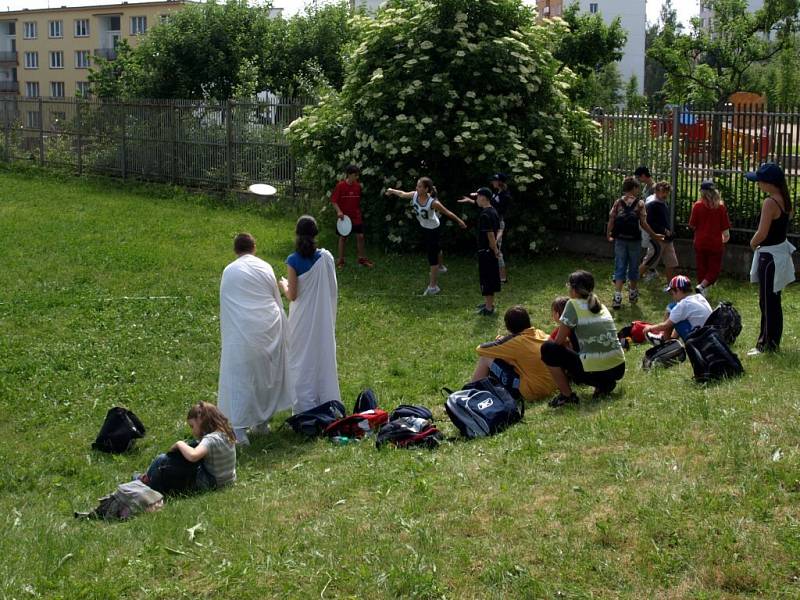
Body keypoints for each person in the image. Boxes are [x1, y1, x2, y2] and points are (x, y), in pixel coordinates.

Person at [218, 233, 292, 446]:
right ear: (254, 247)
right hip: (266, 330)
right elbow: (275, 301)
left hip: (241, 333)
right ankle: (259, 423)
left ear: (235, 250)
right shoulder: (265, 267)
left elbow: (228, 305)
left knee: (240, 378)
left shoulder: (229, 271)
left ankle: (242, 429)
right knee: (264, 376)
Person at [279, 216, 341, 413]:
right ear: (316, 234)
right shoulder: (326, 258)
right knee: (319, 354)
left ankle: (304, 404)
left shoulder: (293, 260)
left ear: (297, 233)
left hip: (301, 318)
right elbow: (331, 289)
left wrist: (283, 285)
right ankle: (323, 398)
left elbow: (293, 295)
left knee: (300, 358)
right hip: (321, 318)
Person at [540, 270, 626, 407]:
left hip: (597, 369)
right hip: (618, 367)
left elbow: (558, 342)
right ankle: (603, 384)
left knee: (548, 349)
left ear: (573, 289)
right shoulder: (600, 305)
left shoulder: (572, 304)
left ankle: (567, 396)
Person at [385, 177, 467, 296]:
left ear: (426, 189)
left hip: (433, 230)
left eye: (419, 186)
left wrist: (460, 221)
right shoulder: (414, 195)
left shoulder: (433, 202)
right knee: (437, 248)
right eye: (417, 186)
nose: (416, 188)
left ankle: (433, 287)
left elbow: (447, 212)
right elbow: (402, 194)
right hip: (425, 227)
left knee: (432, 257)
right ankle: (441, 267)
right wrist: (392, 190)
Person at [746, 162, 796, 355]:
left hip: (769, 257)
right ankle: (773, 342)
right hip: (780, 254)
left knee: (766, 302)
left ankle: (765, 344)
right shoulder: (785, 199)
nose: (758, 184)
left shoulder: (770, 202)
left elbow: (762, 232)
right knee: (774, 300)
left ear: (769, 183)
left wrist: (752, 243)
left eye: (760, 181)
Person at [140, 402, 236, 492]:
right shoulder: (225, 434)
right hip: (228, 480)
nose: (192, 431)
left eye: (192, 426)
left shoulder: (210, 439)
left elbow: (193, 456)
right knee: (191, 446)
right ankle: (146, 478)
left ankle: (144, 481)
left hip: (211, 482)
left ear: (201, 420)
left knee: (161, 459)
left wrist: (179, 443)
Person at [470, 306, 556, 401]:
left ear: (508, 327)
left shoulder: (517, 342)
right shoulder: (540, 333)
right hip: (553, 385)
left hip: (533, 391)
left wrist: (503, 341)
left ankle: (471, 393)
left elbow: (480, 349)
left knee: (485, 358)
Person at [607, 177, 664, 309]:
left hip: (620, 239)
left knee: (619, 265)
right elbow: (643, 223)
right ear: (633, 188)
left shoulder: (618, 202)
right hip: (634, 240)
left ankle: (617, 297)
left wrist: (609, 234)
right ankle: (632, 293)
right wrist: (654, 235)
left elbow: (611, 219)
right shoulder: (640, 204)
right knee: (633, 266)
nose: (638, 190)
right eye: (637, 188)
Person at [689, 180, 731, 297]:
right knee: (714, 270)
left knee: (701, 267)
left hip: (700, 241)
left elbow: (692, 225)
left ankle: (702, 291)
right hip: (715, 242)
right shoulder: (720, 207)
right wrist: (725, 237)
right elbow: (725, 229)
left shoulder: (697, 206)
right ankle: (702, 286)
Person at [331, 165, 375, 270]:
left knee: (360, 236)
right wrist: (339, 211)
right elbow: (334, 201)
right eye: (355, 175)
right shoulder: (340, 186)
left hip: (356, 216)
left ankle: (361, 259)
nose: (357, 177)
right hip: (344, 217)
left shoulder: (358, 186)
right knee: (343, 238)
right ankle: (341, 260)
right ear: (349, 175)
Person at [643, 275, 712, 342]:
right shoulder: (699, 297)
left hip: (698, 340)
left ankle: (664, 340)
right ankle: (673, 339)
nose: (672, 297)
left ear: (678, 290)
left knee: (671, 308)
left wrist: (650, 328)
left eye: (672, 293)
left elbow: (666, 325)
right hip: (710, 336)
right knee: (678, 316)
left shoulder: (683, 304)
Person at [639, 182, 678, 282]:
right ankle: (634, 279)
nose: (665, 194)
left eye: (667, 192)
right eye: (663, 192)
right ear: (656, 191)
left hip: (667, 238)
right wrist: (663, 230)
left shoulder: (663, 202)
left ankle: (670, 285)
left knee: (671, 262)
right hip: (657, 238)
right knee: (649, 260)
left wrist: (668, 231)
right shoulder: (652, 204)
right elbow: (649, 222)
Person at [490, 173, 512, 283]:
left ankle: (503, 278)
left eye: (495, 180)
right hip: (493, 222)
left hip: (499, 224)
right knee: (493, 248)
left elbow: (501, 210)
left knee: (497, 249)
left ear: (500, 182)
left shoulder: (505, 195)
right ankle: (496, 274)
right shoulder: (495, 192)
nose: (493, 182)